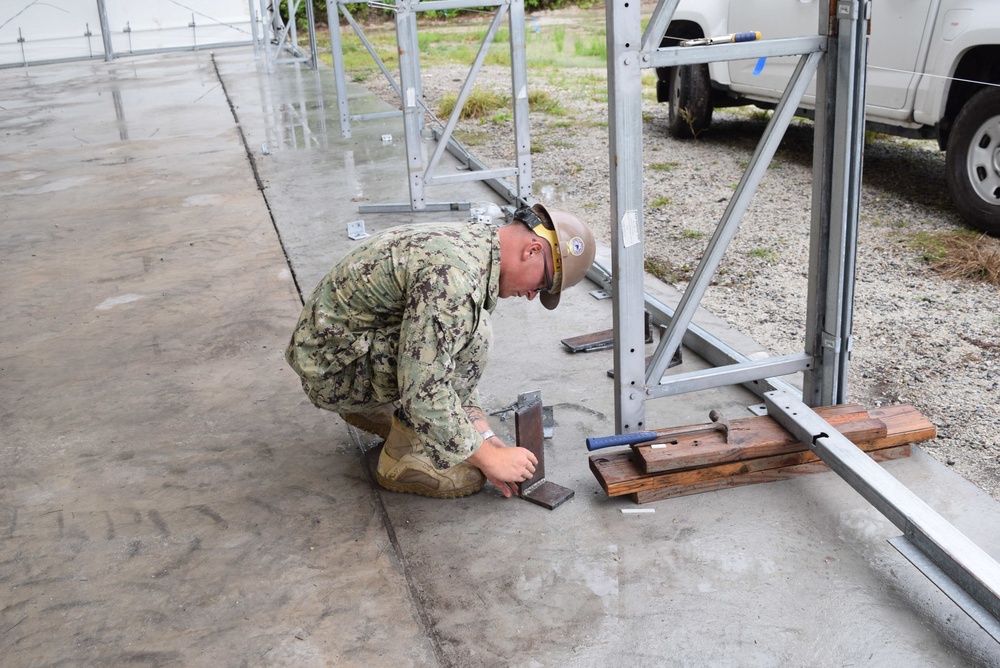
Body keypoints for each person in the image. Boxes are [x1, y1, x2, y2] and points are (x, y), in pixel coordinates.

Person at [285, 203, 596, 499]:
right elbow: (424, 386)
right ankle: (404, 456)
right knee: (472, 333)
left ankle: (396, 415)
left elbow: (448, 350)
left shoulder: (471, 243)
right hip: (334, 375)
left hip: (339, 351)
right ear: (532, 250)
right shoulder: (455, 279)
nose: (531, 295)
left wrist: (482, 434)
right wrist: (485, 457)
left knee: (469, 332)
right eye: (541, 285)